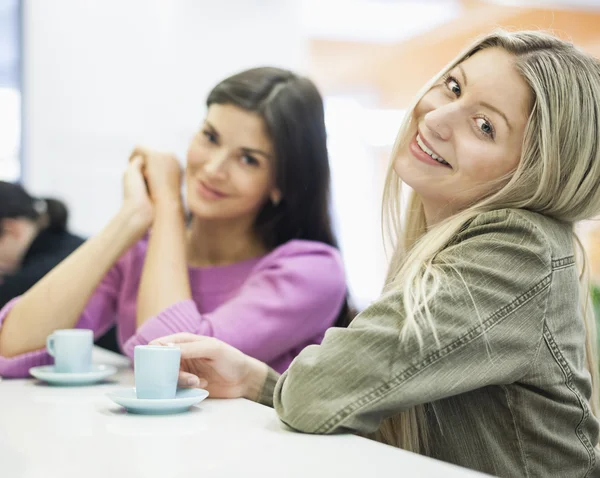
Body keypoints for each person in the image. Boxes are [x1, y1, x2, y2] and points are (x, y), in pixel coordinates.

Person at [150, 31, 600, 477]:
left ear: (535, 173)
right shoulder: (462, 241)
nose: (439, 117)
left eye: (485, 126)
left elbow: (314, 393)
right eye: (455, 86)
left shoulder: (517, 247)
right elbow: (368, 410)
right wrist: (256, 381)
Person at [0, 67, 351, 377]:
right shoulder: (143, 249)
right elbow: (12, 346)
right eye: (210, 137)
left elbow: (173, 366)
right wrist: (130, 218)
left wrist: (168, 203)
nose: (213, 169)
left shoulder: (310, 270)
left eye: (247, 159)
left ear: (281, 182)